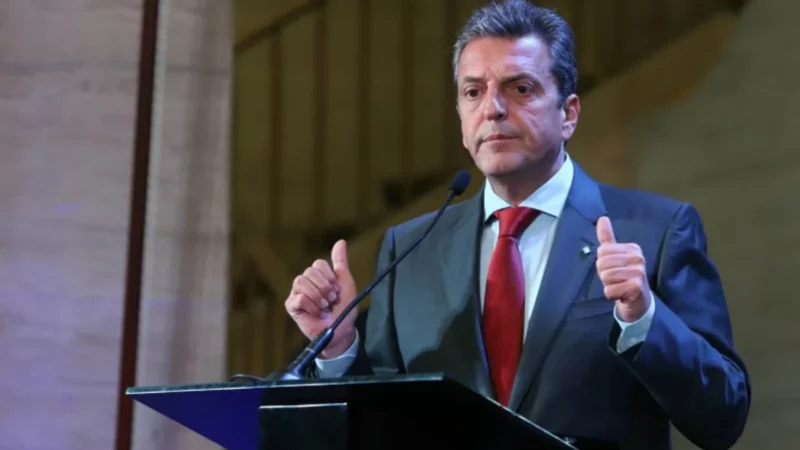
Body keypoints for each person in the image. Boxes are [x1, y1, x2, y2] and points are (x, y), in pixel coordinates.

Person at [284, 1, 750, 448]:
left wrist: (644, 320)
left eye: (520, 88)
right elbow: (381, 422)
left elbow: (723, 416)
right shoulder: (410, 249)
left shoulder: (657, 231)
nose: (493, 108)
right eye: (473, 92)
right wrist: (338, 347)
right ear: (461, 117)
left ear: (568, 113)